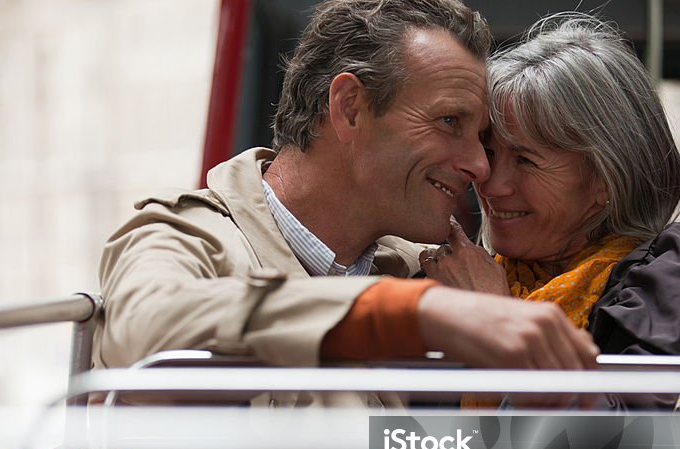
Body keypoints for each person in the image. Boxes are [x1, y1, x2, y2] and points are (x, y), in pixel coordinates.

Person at [96, 0, 599, 404]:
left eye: (481, 137)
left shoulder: (426, 270)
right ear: (350, 108)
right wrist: (409, 313)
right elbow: (141, 328)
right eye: (450, 122)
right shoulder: (184, 235)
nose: (481, 167)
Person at [421, 13, 680, 407]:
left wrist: (495, 321)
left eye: (525, 160)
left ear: (606, 178)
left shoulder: (677, 272)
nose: (490, 182)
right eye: (489, 153)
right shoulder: (466, 275)